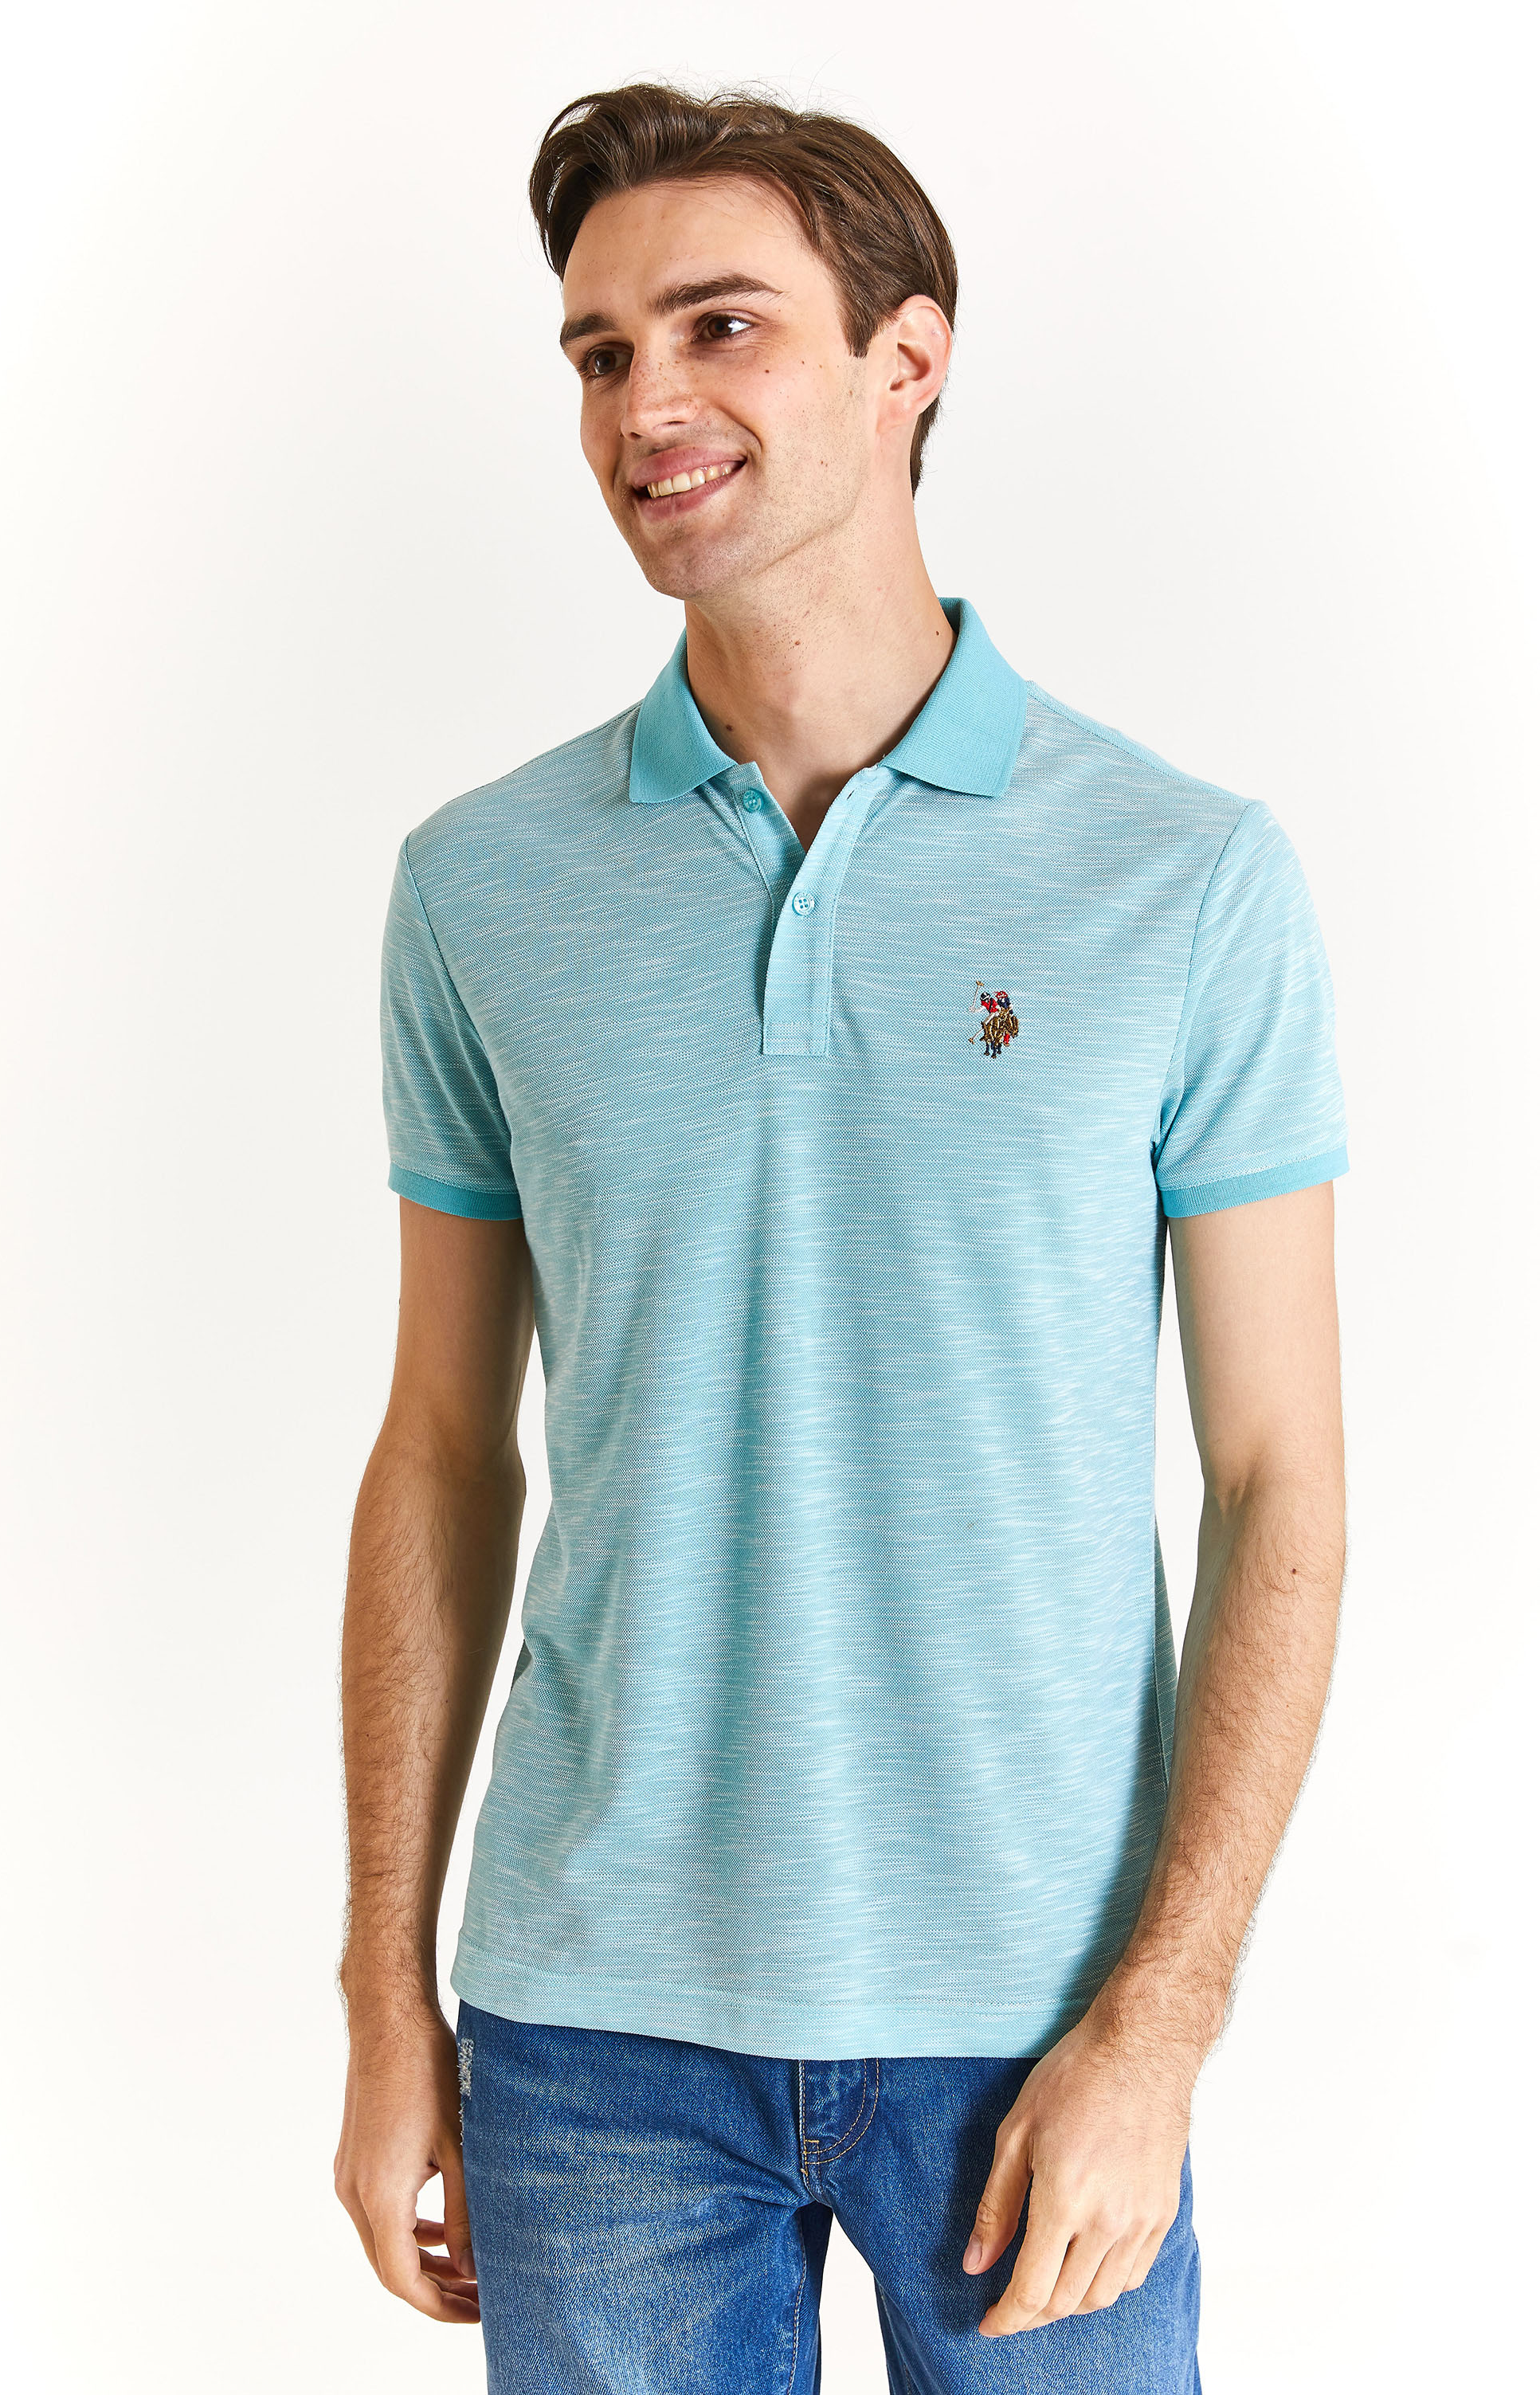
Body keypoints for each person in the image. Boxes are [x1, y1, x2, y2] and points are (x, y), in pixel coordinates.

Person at [333, 82, 1348, 2393]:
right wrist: (386, 1996)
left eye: (721, 327)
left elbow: (1281, 1476)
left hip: (1039, 2019)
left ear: (910, 360)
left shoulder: (1182, 876)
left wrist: (1165, 2020)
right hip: (592, 2030)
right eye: (600, 353)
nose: (646, 405)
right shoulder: (479, 886)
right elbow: (439, 1451)